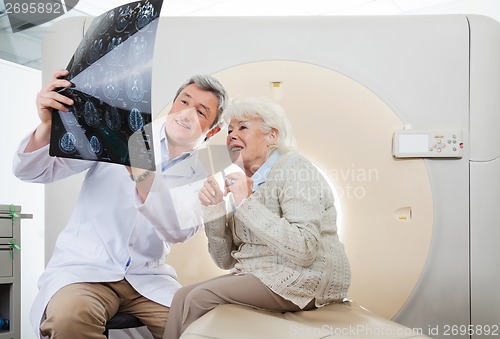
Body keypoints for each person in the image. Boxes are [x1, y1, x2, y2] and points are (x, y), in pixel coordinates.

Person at [12, 69, 228, 339]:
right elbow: (33, 171)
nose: (186, 113)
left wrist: (139, 168)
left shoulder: (200, 179)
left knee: (198, 331)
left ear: (214, 129)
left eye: (201, 111)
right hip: (86, 270)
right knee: (70, 320)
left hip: (148, 278)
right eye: (184, 101)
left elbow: (178, 230)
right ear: (173, 103)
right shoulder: (118, 132)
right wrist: (46, 127)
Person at [163, 97, 351, 339]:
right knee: (181, 296)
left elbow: (305, 249)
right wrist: (215, 209)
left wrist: (245, 202)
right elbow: (225, 260)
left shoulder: (295, 169)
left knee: (200, 298)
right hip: (259, 276)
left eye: (242, 127)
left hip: (306, 280)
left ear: (272, 136)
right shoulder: (246, 182)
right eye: (229, 130)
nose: (231, 135)